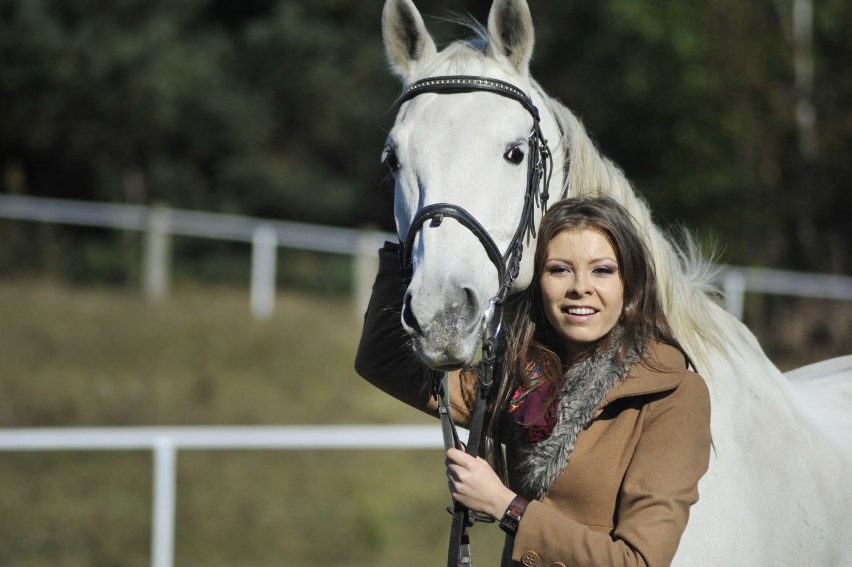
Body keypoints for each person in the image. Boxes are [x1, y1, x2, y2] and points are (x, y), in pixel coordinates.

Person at [354, 196, 711, 567]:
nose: (580, 287)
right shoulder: (528, 377)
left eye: (602, 270)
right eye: (559, 269)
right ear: (537, 283)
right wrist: (418, 241)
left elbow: (640, 562)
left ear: (630, 283)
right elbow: (385, 361)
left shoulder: (674, 396)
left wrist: (506, 507)